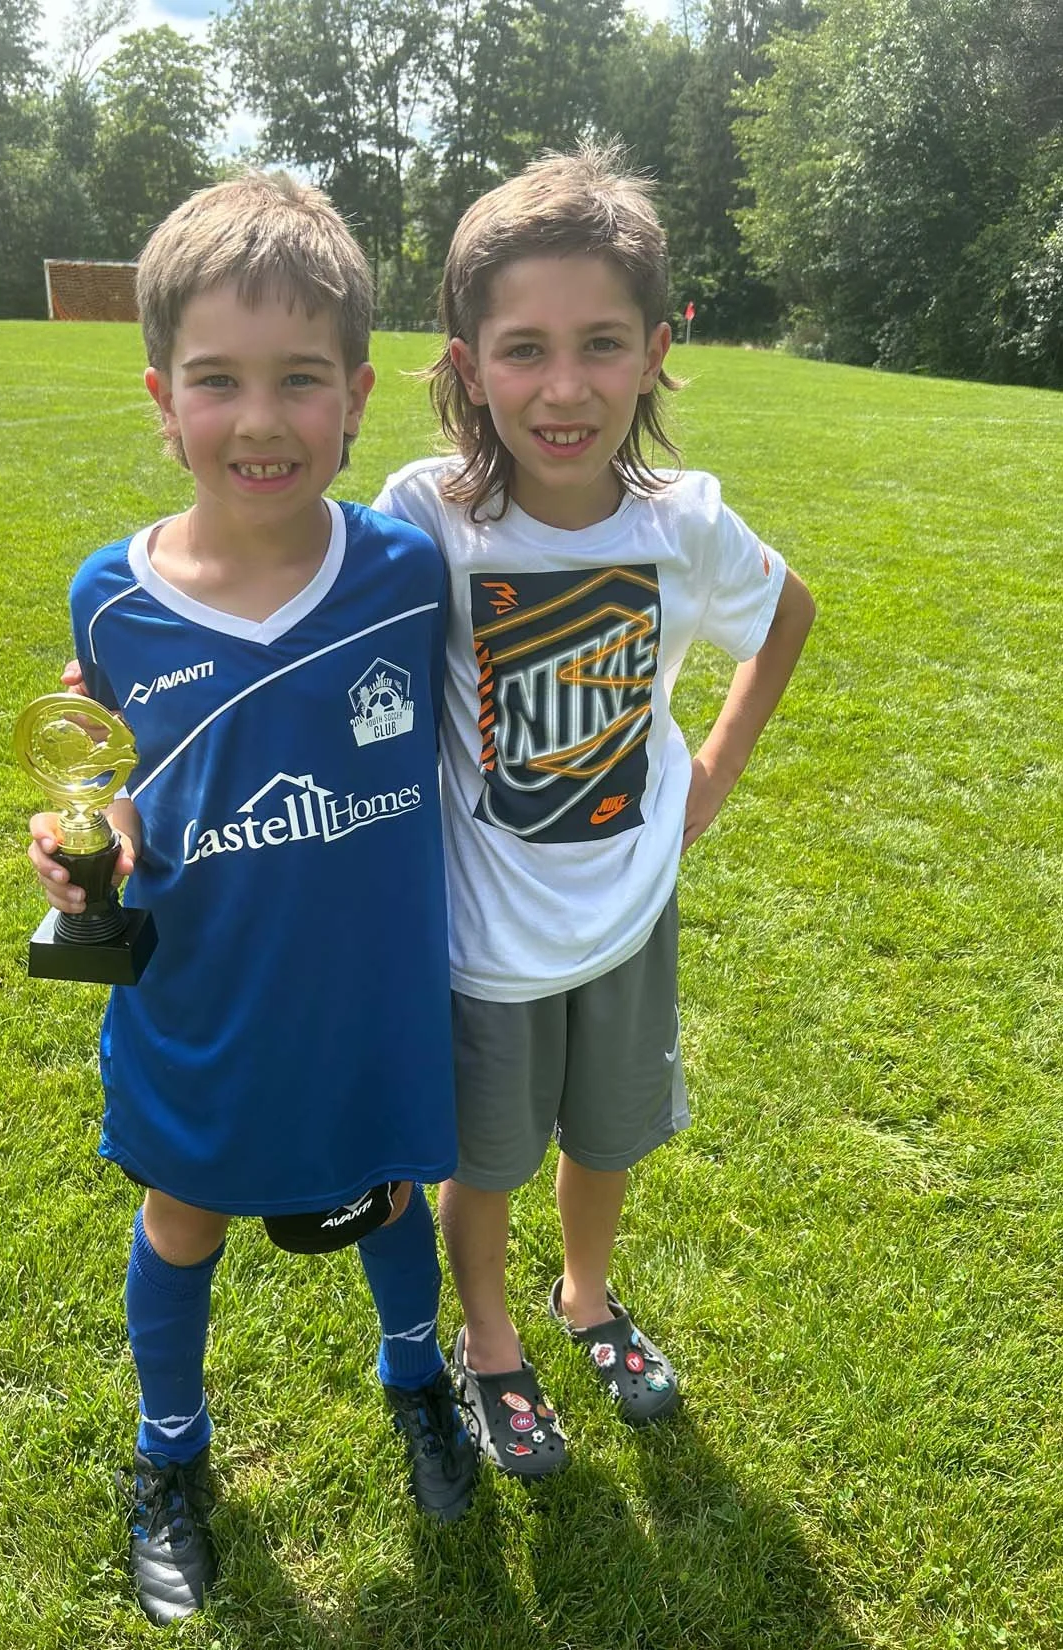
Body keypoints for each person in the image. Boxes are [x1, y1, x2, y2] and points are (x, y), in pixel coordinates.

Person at [26, 171, 476, 1626]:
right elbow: (124, 778)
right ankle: (170, 1456)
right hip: (204, 1001)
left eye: (301, 379)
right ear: (163, 398)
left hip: (370, 993)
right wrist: (86, 846)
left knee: (390, 1183)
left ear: (357, 395)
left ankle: (418, 1379)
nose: (262, 419)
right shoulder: (111, 594)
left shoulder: (408, 572)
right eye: (219, 380)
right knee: (186, 1214)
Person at [373, 144, 816, 1479]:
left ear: (655, 352)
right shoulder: (428, 518)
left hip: (627, 913)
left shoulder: (685, 522)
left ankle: (583, 1293)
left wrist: (710, 778)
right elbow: (318, 636)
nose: (562, 389)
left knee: (608, 1134)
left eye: (601, 345)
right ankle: (491, 1336)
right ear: (467, 364)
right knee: (487, 1157)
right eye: (524, 350)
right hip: (486, 939)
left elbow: (785, 616)